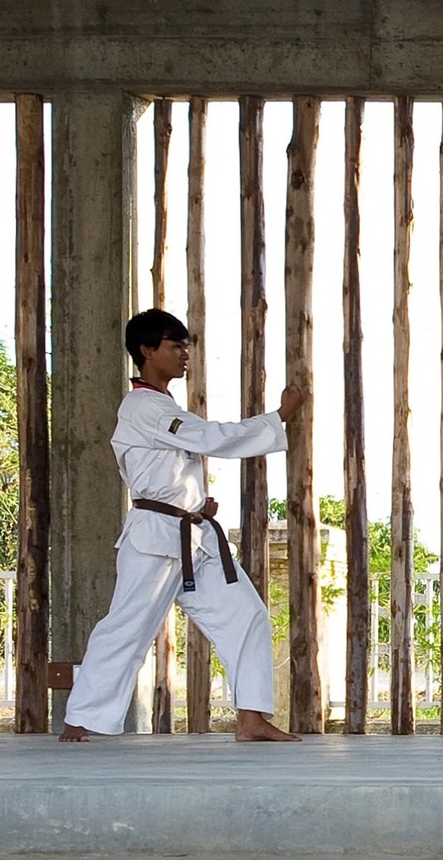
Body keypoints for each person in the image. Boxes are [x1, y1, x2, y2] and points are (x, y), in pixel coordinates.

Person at [54, 308, 306, 744]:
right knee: (128, 627)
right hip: (155, 539)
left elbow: (167, 470)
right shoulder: (142, 405)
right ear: (147, 350)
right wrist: (278, 416)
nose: (185, 354)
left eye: (186, 345)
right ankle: (81, 720)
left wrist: (195, 502)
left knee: (248, 616)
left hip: (195, 538)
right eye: (175, 346)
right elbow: (210, 437)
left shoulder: (163, 406)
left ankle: (251, 718)